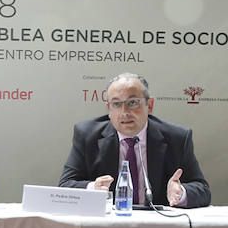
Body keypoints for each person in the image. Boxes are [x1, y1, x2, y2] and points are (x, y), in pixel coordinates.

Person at [58, 72, 210, 208]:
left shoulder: (177, 138)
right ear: (109, 109)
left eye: (132, 103)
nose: (125, 112)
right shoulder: (87, 135)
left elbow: (202, 190)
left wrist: (181, 192)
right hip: (107, 226)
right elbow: (65, 186)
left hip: (159, 227)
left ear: (149, 105)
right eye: (116, 104)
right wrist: (93, 189)